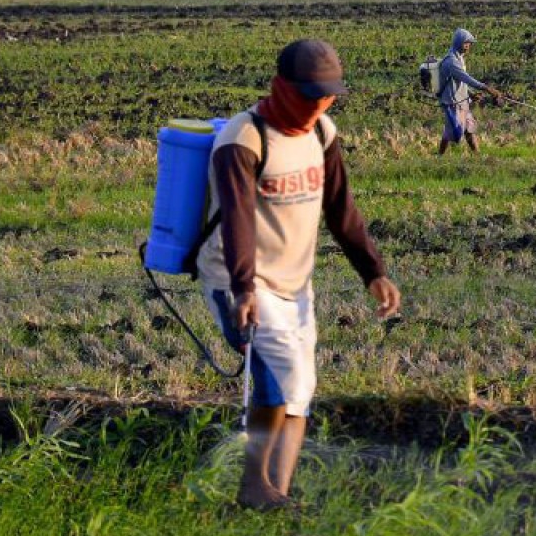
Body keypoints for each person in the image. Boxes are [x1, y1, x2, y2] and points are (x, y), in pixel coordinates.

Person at [195, 38, 401, 510]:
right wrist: (243, 288)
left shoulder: (322, 133)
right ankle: (253, 487)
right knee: (278, 379)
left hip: (295, 284)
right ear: (281, 86)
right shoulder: (243, 139)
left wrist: (372, 271)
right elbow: (237, 218)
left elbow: (341, 208)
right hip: (239, 278)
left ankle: (277, 493)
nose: (317, 104)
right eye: (309, 94)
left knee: (300, 390)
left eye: (327, 96)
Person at [437, 28, 502, 155]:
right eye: (466, 43)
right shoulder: (451, 61)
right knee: (452, 131)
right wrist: (487, 88)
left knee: (469, 128)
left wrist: (470, 94)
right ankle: (440, 157)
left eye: (469, 43)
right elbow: (466, 78)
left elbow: (460, 82)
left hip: (461, 100)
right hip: (452, 101)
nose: (469, 46)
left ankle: (477, 156)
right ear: (459, 42)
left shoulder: (459, 58)